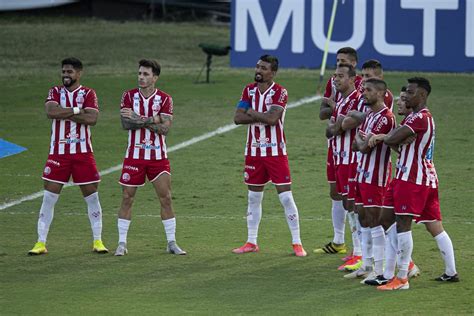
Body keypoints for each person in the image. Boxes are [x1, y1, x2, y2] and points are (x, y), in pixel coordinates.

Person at [377, 77, 459, 290]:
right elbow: (397, 143)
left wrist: (386, 136)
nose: (406, 97)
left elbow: (392, 140)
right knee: (391, 218)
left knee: (403, 225)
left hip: (413, 179)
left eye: (411, 93)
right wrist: (393, 138)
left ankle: (403, 277)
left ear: (422, 95)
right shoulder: (415, 118)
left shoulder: (419, 118)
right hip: (421, 177)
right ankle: (451, 271)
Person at [28, 57, 108, 255]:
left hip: (83, 153)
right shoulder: (55, 91)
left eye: (69, 72)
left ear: (79, 74)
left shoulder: (89, 93)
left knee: (91, 195)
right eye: (63, 71)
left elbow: (92, 118)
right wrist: (76, 110)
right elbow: (50, 112)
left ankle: (98, 241)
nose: (65, 75)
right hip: (58, 153)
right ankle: (40, 243)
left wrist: (63, 113)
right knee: (49, 196)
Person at [232, 55, 307, 257]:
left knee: (285, 197)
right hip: (253, 151)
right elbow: (237, 118)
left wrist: (252, 112)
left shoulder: (280, 92)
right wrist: (259, 114)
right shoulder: (248, 90)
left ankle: (297, 243)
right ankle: (251, 241)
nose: (258, 70)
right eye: (257, 66)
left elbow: (273, 119)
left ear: (272, 73)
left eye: (263, 68)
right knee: (253, 197)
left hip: (276, 152)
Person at [114, 59, 186, 256]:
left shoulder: (164, 99)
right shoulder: (128, 96)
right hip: (134, 157)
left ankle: (171, 242)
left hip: (158, 158)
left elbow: (164, 129)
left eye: (145, 74)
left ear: (155, 77)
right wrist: (152, 119)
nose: (141, 77)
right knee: (127, 197)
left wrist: (139, 119)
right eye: (139, 73)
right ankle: (121, 243)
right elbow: (126, 124)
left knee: (166, 198)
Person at [342, 79, 395, 282]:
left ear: (381, 93)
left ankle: (380, 270)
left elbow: (363, 146)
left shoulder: (385, 118)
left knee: (375, 221)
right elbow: (357, 144)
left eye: (368, 90)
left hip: (376, 177)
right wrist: (363, 141)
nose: (363, 93)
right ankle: (366, 264)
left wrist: (363, 141)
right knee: (363, 218)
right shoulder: (368, 116)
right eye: (363, 89)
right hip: (362, 173)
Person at [316, 47, 363, 260]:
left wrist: (336, 110)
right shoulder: (334, 82)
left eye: (343, 61)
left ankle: (362, 251)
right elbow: (322, 113)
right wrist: (336, 110)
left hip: (352, 151)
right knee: (336, 193)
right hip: (334, 148)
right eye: (336, 62)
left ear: (353, 64)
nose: (337, 66)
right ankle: (338, 241)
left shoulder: (361, 86)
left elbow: (353, 118)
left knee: (355, 200)